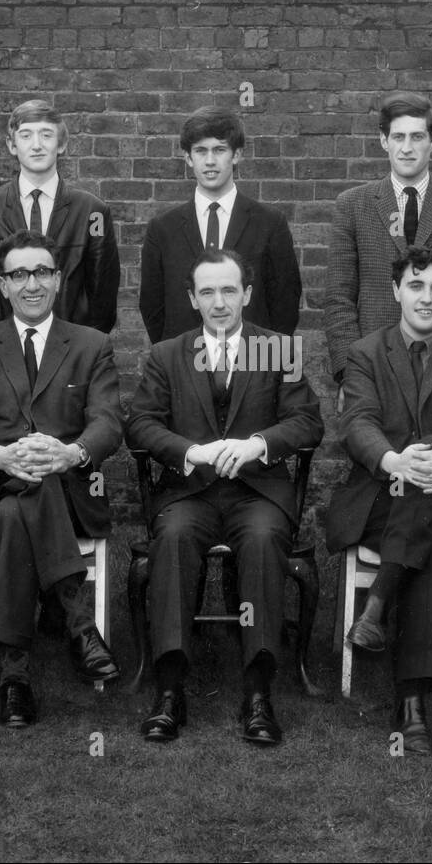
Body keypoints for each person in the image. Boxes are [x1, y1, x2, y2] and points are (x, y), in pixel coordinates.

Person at [126, 249, 323, 745]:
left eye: (229, 290)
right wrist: (188, 450)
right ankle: (170, 690)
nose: (219, 302)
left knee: (260, 541)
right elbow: (141, 423)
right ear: (193, 298)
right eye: (208, 292)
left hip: (256, 491)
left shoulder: (276, 348)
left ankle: (258, 694)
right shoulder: (169, 353)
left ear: (248, 294)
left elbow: (307, 422)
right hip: (189, 492)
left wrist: (258, 444)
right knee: (170, 538)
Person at [325, 246, 432, 755]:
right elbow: (356, 422)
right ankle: (412, 705)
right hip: (385, 495)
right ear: (396, 290)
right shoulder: (364, 352)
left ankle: (376, 606)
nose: (427, 298)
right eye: (417, 286)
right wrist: (395, 461)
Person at [0, 230, 124, 729]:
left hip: (66, 491)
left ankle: (14, 677)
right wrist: (0, 455)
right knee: (16, 495)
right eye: (19, 274)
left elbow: (108, 422)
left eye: (42, 272)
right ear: (2, 285)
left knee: (20, 506)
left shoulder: (91, 344)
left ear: (58, 279)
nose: (31, 284)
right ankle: (78, 624)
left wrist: (68, 454)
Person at [323, 91, 432, 391]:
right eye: (398, 137)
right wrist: (351, 374)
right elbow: (339, 298)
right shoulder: (352, 204)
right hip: (372, 366)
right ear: (383, 140)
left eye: (417, 137)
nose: (406, 148)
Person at [0, 99, 119, 333]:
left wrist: (83, 347)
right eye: (26, 135)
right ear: (12, 145)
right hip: (1, 347)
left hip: (70, 350)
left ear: (61, 144)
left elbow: (103, 294)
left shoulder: (93, 212)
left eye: (46, 135)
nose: (37, 145)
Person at [140, 106, 301, 342]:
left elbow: (285, 302)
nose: (210, 161)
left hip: (252, 362)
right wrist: (174, 358)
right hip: (183, 364)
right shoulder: (163, 228)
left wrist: (262, 360)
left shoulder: (269, 223)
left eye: (219, 150)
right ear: (188, 158)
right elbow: (152, 306)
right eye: (201, 151)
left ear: (236, 155)